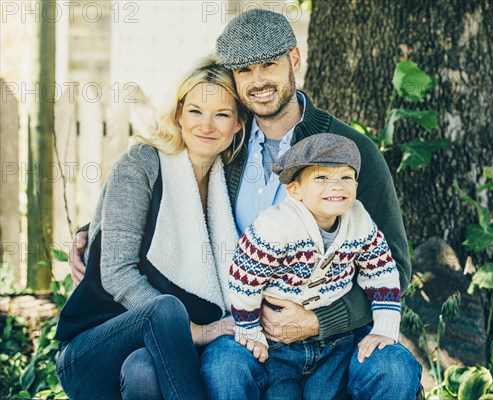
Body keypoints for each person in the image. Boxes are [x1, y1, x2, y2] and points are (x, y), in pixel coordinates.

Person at [69, 9, 422, 399]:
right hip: (246, 332)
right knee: (222, 367)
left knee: (394, 368)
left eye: (269, 65)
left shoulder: (349, 152)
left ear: (295, 60)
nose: (258, 82)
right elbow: (169, 192)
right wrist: (94, 231)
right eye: (243, 71)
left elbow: (396, 267)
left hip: (332, 333)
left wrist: (318, 321)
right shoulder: (226, 144)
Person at [55, 57, 247, 399]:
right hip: (93, 344)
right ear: (178, 115)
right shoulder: (142, 162)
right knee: (165, 309)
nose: (207, 125)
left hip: (152, 354)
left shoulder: (231, 180)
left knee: (143, 372)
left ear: (237, 124)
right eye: (195, 111)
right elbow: (115, 270)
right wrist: (199, 331)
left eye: (221, 114)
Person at [230, 133, 402, 400]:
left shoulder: (359, 219)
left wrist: (384, 326)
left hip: (335, 341)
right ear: (295, 189)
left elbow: (381, 272)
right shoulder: (274, 226)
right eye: (321, 178)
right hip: (279, 344)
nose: (336, 186)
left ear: (356, 184)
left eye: (346, 177)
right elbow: (244, 278)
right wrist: (249, 330)